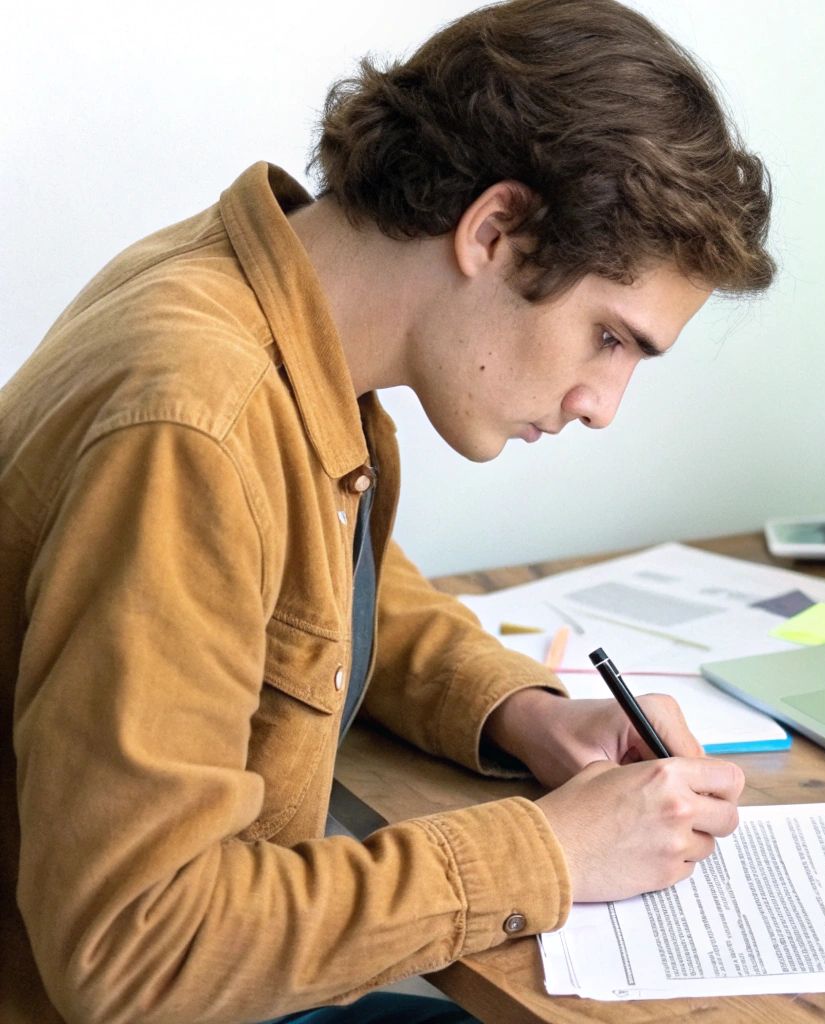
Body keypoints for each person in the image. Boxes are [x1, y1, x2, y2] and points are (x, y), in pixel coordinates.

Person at [0, 1, 774, 1020]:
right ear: (494, 231)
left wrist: (526, 712)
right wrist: (547, 850)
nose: (601, 405)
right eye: (609, 337)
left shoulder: (247, 293)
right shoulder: (198, 424)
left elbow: (297, 584)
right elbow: (139, 947)